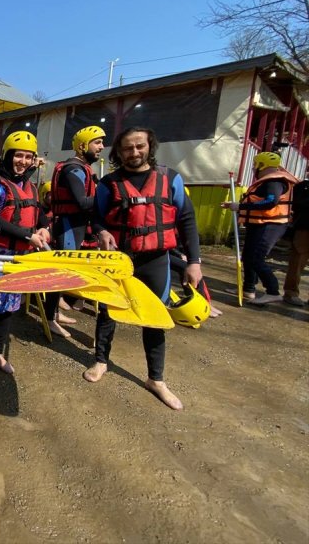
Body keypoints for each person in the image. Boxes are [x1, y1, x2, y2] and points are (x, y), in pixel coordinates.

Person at [85, 126, 202, 410]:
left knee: (155, 317)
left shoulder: (170, 179)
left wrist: (194, 261)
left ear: (150, 146)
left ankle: (156, 379)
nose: (134, 152)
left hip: (156, 260)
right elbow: (96, 216)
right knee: (108, 311)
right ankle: (101, 360)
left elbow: (187, 220)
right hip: (118, 260)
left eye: (140, 146)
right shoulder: (108, 183)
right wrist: (100, 232)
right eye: (127, 148)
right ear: (119, 151)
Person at [0, 131, 50, 376]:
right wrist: (28, 235)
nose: (22, 161)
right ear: (7, 155)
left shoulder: (30, 185)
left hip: (18, 257)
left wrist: (44, 227)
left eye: (28, 157)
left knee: (8, 309)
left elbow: (38, 211)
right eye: (18, 155)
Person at [42, 125, 105, 337]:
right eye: (97, 142)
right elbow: (82, 202)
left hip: (74, 226)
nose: (101, 147)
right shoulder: (73, 169)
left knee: (64, 274)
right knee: (60, 274)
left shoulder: (80, 167)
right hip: (68, 227)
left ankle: (54, 315)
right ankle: (49, 319)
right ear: (82, 145)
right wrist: (109, 197)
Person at [221, 151, 299, 305]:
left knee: (256, 258)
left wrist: (240, 206)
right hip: (259, 224)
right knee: (248, 257)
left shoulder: (274, 182)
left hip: (270, 225)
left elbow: (271, 202)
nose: (253, 169)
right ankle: (248, 289)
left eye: (255, 165)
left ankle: (273, 291)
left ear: (261, 165)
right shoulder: (266, 181)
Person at [283, 169, 309, 306]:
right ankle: (291, 293)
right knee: (297, 262)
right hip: (304, 229)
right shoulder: (302, 187)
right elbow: (296, 203)